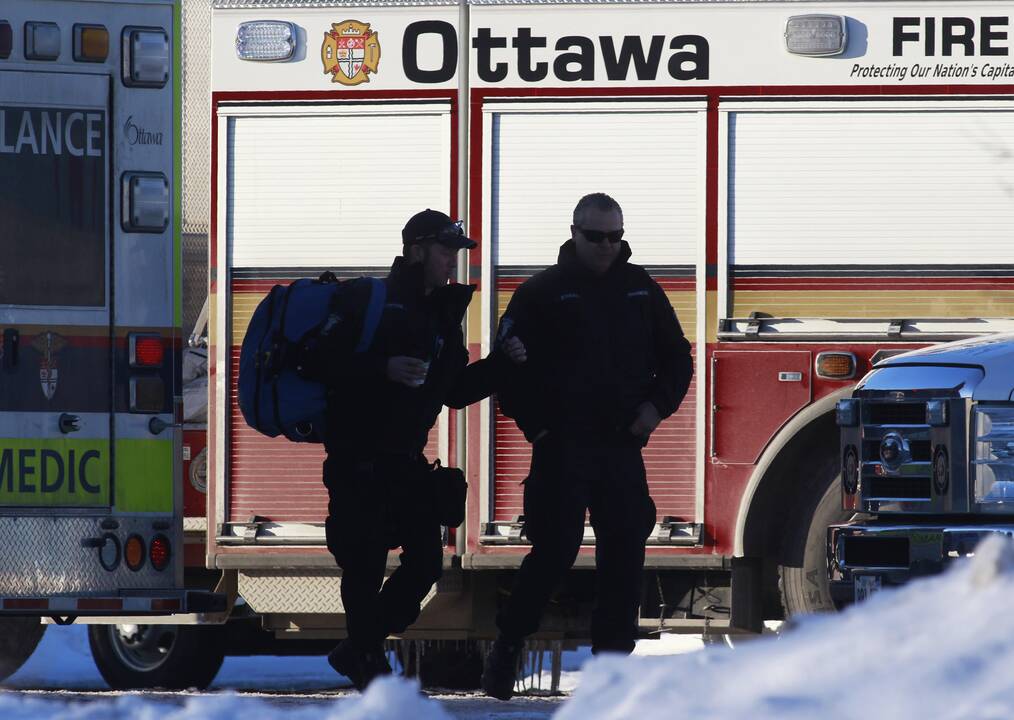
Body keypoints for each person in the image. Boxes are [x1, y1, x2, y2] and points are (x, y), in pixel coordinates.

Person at [481, 193, 694, 700]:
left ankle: (611, 677)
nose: (606, 246)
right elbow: (508, 374)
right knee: (554, 552)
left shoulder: (640, 289)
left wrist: (654, 410)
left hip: (621, 447)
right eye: (596, 236)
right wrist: (539, 430)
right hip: (562, 449)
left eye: (615, 237)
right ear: (574, 233)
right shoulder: (542, 292)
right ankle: (507, 649)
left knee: (624, 558)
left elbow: (678, 358)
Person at [315, 209, 525, 690]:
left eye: (457, 251)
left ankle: (358, 647)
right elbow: (320, 362)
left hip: (405, 463)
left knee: (426, 563)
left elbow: (452, 390)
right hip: (357, 460)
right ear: (416, 250)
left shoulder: (442, 315)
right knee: (364, 566)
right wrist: (381, 369)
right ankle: (367, 661)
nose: (454, 260)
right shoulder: (369, 301)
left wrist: (501, 366)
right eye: (446, 250)